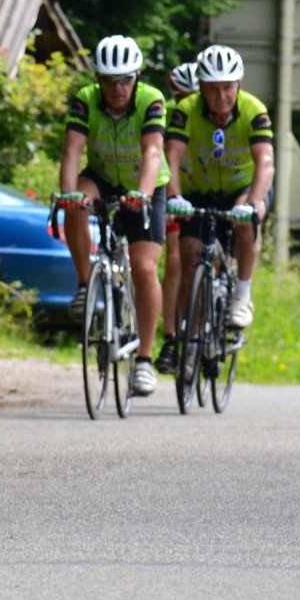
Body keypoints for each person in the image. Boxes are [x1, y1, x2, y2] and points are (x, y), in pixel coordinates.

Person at [57, 34, 171, 395]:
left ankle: (145, 361)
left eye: (124, 80)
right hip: (102, 177)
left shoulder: (151, 99)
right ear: (98, 79)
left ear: (136, 77)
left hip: (144, 185)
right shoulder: (86, 99)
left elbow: (153, 152)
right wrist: (68, 194)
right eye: (108, 80)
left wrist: (143, 194)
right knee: (75, 204)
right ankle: (83, 284)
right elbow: (72, 150)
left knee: (145, 269)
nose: (116, 87)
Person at [164, 43, 273, 333]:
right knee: (189, 254)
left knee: (246, 220)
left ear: (239, 84)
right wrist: (175, 196)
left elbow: (265, 162)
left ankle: (242, 295)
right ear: (200, 87)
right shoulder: (186, 109)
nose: (221, 96)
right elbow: (171, 156)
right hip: (200, 189)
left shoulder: (254, 110)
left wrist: (252, 203)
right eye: (212, 89)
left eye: (227, 87)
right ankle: (191, 337)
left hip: (243, 186)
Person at [155, 59, 200, 373]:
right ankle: (171, 337)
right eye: (182, 98)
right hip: (176, 189)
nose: (189, 105)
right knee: (174, 259)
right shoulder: (168, 115)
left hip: (211, 187)